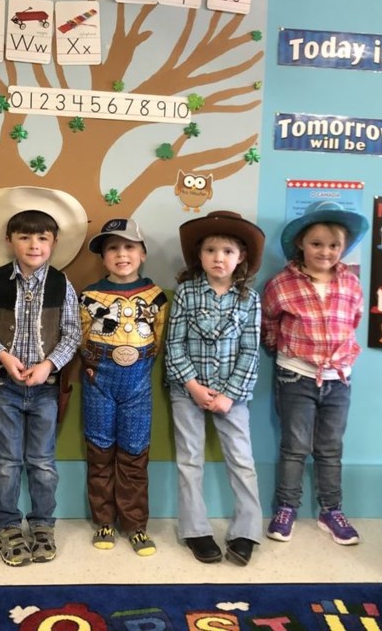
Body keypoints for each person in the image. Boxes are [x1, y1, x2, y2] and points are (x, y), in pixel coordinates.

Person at [0, 186, 86, 567]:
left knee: (42, 461)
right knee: (5, 461)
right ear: (9, 241)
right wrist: (3, 355)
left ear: (53, 242)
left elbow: (72, 333)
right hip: (5, 385)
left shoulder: (61, 283)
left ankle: (42, 525)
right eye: (24, 237)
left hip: (47, 389)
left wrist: (48, 365)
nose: (33, 244)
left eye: (42, 237)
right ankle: (5, 525)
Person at [261, 201, 370, 547]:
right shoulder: (281, 284)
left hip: (338, 378)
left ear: (343, 248)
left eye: (334, 245)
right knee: (294, 446)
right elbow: (269, 322)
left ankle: (331, 509)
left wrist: (338, 358)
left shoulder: (351, 284)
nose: (325, 251)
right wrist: (285, 351)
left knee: (331, 448)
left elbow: (353, 322)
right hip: (296, 375)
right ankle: (286, 507)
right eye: (317, 244)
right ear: (301, 245)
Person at [164, 210, 265, 566]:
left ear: (241, 259)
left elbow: (251, 351)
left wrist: (228, 395)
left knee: (242, 460)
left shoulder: (249, 300)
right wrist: (192, 386)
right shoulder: (186, 294)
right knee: (190, 459)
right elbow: (174, 344)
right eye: (210, 250)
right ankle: (195, 530)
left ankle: (247, 530)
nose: (218, 258)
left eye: (227, 251)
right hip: (187, 390)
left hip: (231, 396)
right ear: (199, 256)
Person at [79, 218, 167, 557]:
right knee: (99, 451)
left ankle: (135, 525)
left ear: (142, 253)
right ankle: (104, 520)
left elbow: (158, 338)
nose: (121, 254)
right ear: (103, 258)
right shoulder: (89, 296)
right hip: (98, 380)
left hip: (138, 383)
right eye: (112, 248)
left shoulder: (156, 296)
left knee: (134, 451)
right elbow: (81, 337)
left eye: (129, 246)